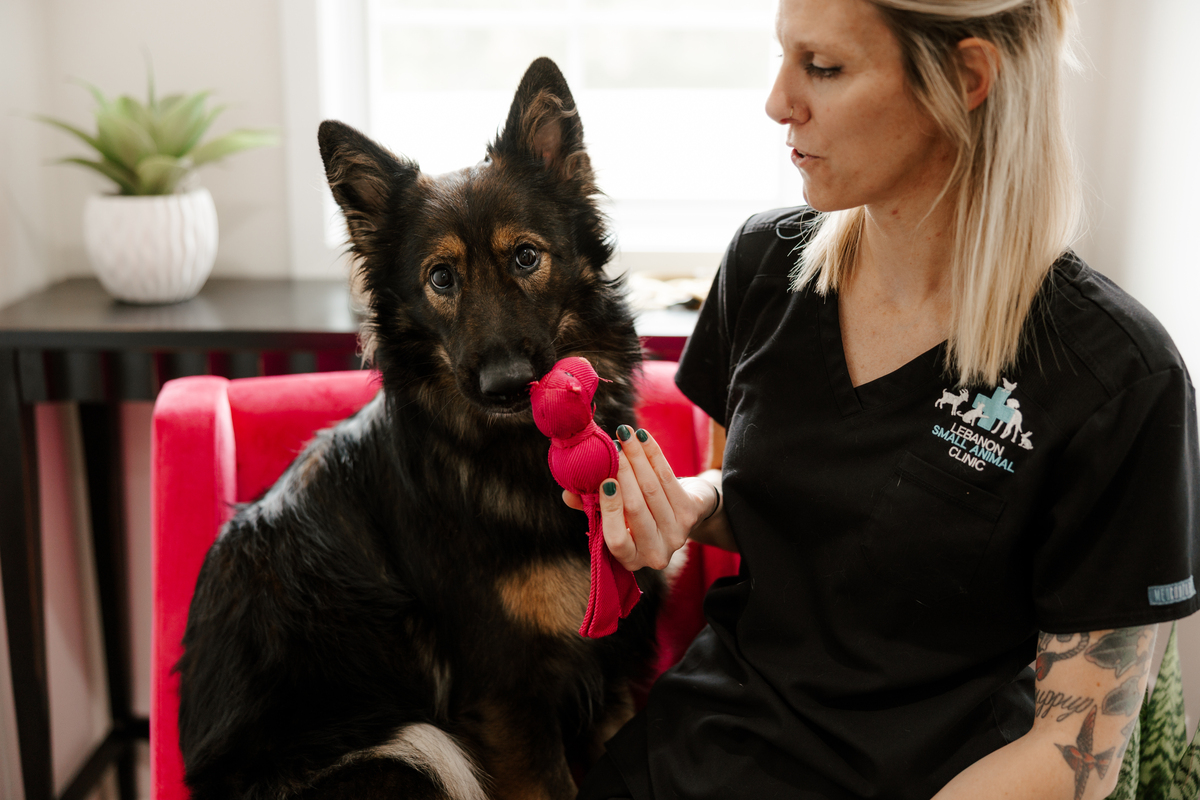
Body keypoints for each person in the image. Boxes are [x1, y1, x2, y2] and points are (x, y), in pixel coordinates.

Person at [569, 0, 1200, 798]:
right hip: (701, 753)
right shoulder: (765, 267)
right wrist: (687, 506)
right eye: (783, 57)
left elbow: (1076, 749)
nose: (777, 102)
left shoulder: (1118, 376)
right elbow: (759, 501)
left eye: (823, 68)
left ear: (966, 78)